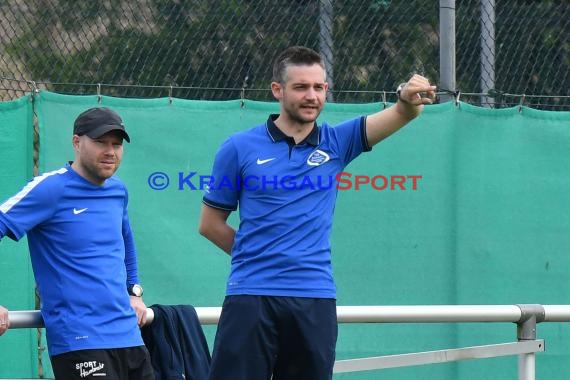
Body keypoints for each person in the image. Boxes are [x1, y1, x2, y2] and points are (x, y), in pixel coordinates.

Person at [198, 45, 436, 380]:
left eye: (319, 87)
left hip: (314, 299)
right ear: (277, 90)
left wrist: (408, 97)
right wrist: (260, 256)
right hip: (250, 298)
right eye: (301, 87)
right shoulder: (237, 148)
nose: (312, 96)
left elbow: (403, 112)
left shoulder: (339, 141)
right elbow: (210, 225)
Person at [0, 107, 154, 379]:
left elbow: (126, 241)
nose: (110, 151)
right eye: (100, 142)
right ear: (76, 142)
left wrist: (135, 292)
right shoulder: (50, 188)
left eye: (116, 144)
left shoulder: (118, 191)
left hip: (128, 336)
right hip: (80, 341)